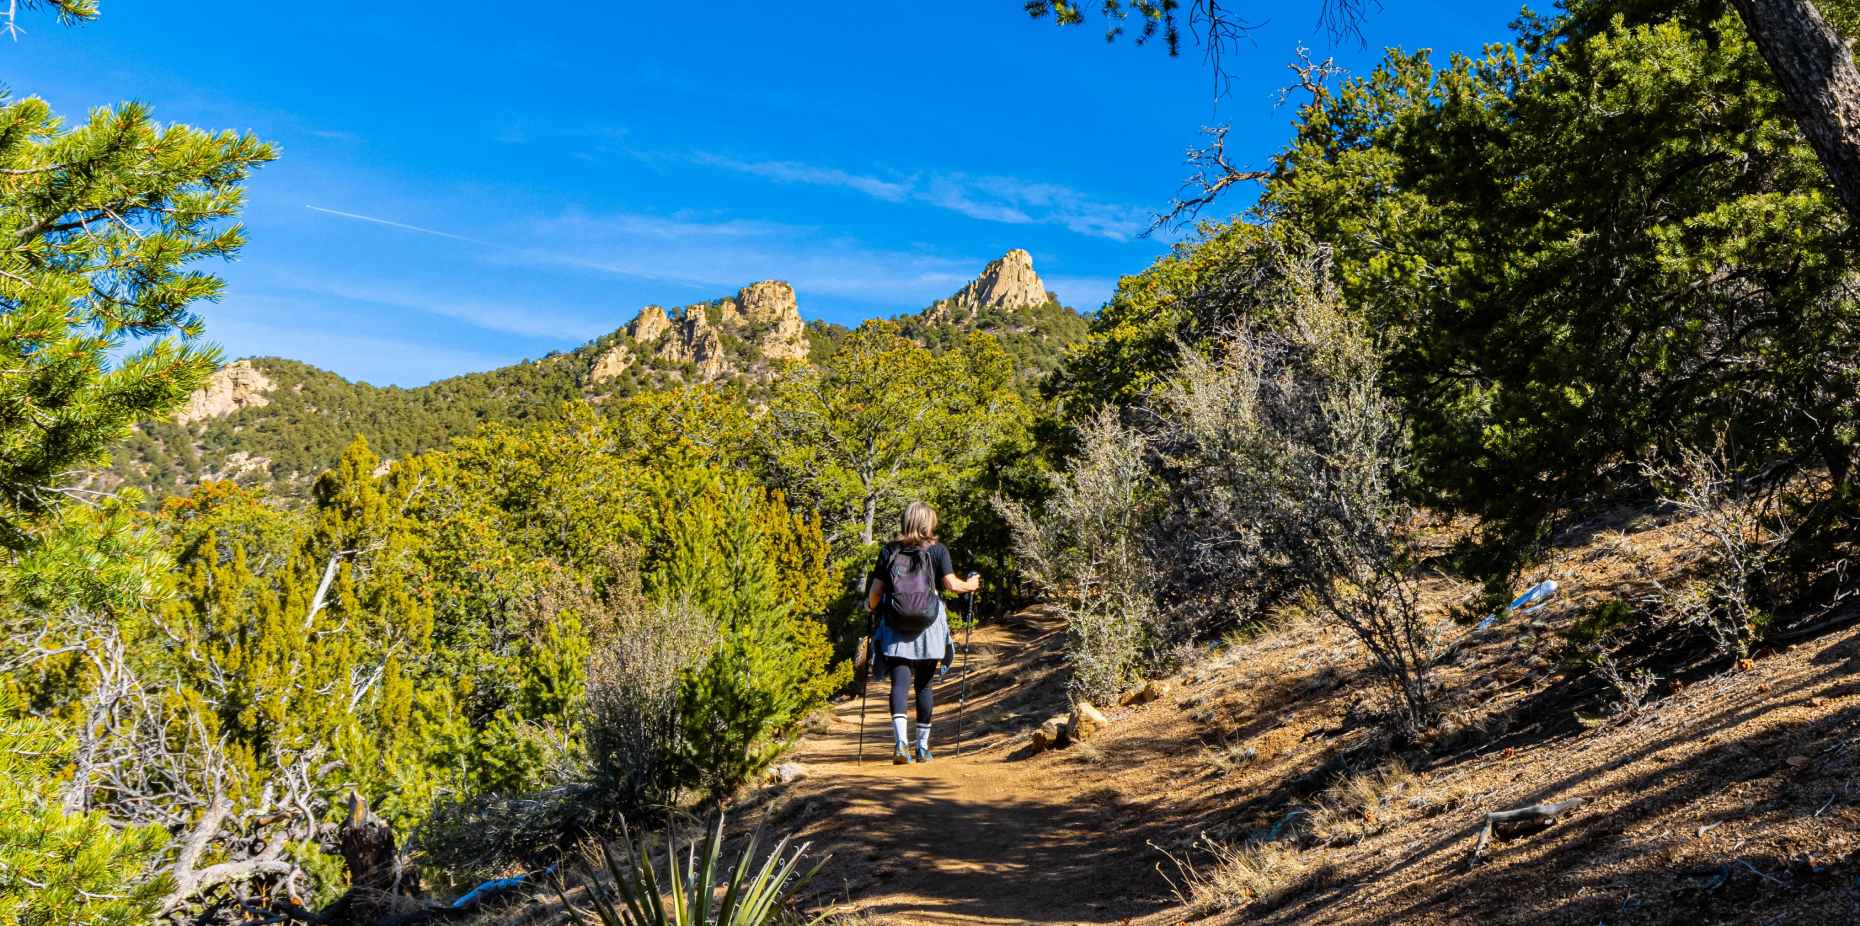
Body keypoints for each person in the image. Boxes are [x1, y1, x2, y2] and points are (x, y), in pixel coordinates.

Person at [867, 501, 980, 765]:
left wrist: (870, 608)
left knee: (899, 684)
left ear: (906, 521)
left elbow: (875, 594)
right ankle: (922, 748)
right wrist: (971, 585)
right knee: (924, 687)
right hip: (929, 626)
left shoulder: (889, 550)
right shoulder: (938, 550)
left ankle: (900, 744)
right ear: (928, 523)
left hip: (896, 625)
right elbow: (952, 585)